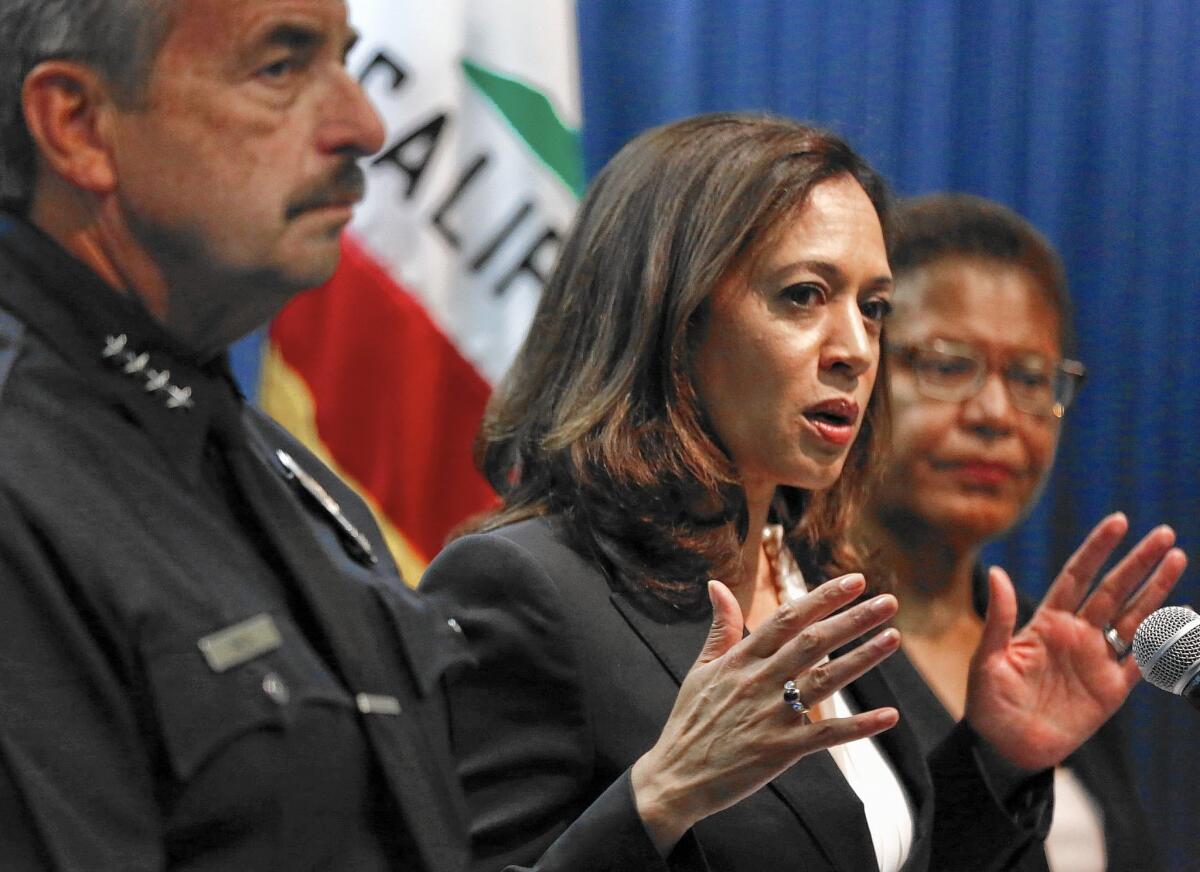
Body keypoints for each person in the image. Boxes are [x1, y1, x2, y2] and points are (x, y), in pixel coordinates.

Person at [419, 114, 1186, 872]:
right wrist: (658, 798)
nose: (855, 348)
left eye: (873, 308)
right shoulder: (525, 586)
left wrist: (995, 763)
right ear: (673, 317)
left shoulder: (818, 579)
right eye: (804, 295)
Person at [0, 1, 472, 869]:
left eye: (344, 62)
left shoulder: (281, 464)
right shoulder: (20, 478)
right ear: (78, 124)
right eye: (280, 68)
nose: (364, 126)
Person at [863, 193, 1173, 871]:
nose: (997, 414)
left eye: (1031, 377)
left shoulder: (1060, 648)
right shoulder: (788, 636)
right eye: (948, 364)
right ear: (854, 366)